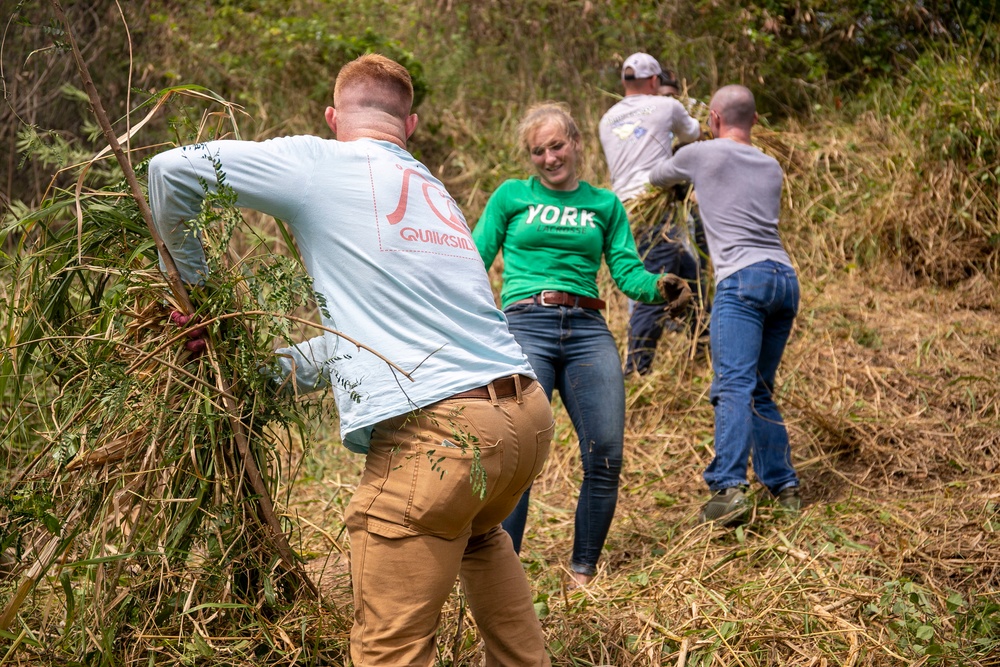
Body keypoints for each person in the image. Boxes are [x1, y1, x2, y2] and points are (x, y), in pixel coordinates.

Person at [148, 54, 555, 667]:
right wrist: (257, 375)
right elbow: (372, 340)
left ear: (332, 117)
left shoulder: (324, 161)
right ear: (409, 125)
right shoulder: (432, 193)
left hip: (441, 433)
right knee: (479, 537)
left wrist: (198, 296)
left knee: (388, 649)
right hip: (523, 420)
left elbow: (170, 170)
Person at [472, 102, 691, 587]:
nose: (549, 158)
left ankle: (582, 572)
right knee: (519, 453)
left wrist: (660, 286)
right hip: (527, 324)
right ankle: (502, 577)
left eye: (556, 145)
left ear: (575, 142)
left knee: (606, 451)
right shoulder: (512, 196)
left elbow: (627, 272)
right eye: (538, 151)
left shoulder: (605, 204)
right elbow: (475, 256)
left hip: (589, 330)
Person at [648, 84, 801, 526]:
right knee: (759, 389)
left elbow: (659, 175)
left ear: (714, 119)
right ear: (754, 120)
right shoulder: (771, 165)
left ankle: (728, 488)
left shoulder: (703, 154)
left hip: (741, 280)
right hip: (783, 279)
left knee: (732, 386)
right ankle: (784, 487)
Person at [598, 52, 704, 375]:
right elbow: (694, 135)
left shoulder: (606, 120)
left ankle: (704, 347)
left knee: (691, 276)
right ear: (656, 81)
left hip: (624, 211)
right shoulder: (666, 106)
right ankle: (635, 370)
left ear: (624, 82)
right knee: (656, 285)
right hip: (653, 208)